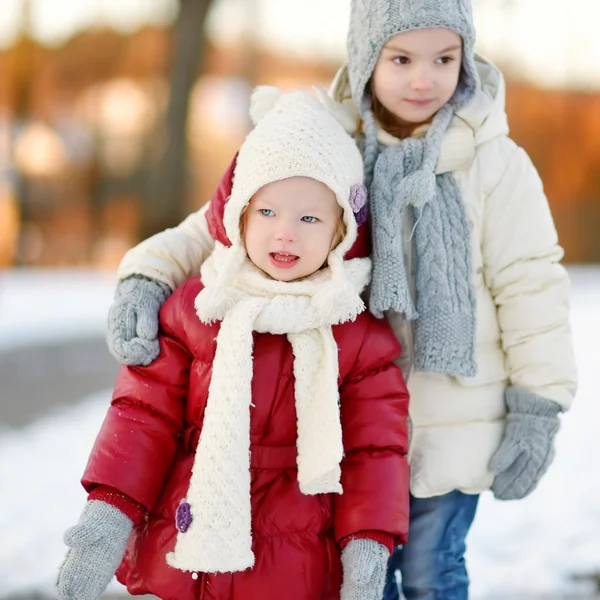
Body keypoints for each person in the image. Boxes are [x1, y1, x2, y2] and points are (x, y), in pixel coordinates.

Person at [103, 1, 578, 598]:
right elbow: (218, 223)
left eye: (445, 59)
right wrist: (146, 275)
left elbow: (531, 283)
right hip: (341, 423)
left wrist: (538, 405)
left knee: (433, 570)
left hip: (450, 421)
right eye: (401, 58)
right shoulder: (331, 141)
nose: (423, 78)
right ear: (365, 59)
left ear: (467, 60)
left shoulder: (496, 164)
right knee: (356, 578)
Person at [56, 88, 410, 600]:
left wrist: (367, 549)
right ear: (239, 213)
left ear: (341, 231)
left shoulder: (357, 335)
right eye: (267, 212)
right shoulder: (195, 309)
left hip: (297, 560)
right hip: (186, 544)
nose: (284, 234)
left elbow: (374, 452)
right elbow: (141, 417)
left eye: (309, 218)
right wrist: (106, 519)